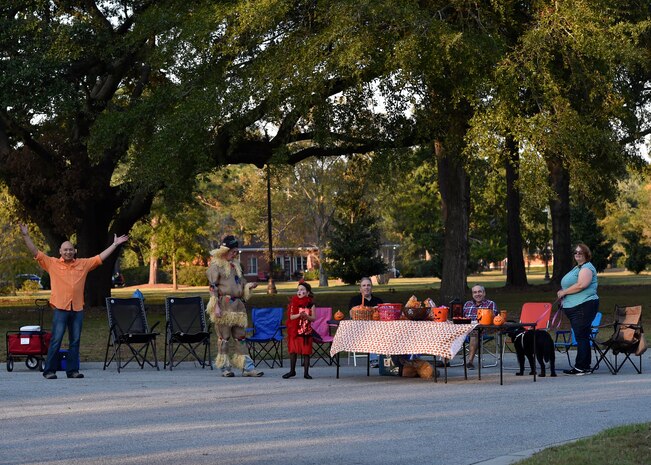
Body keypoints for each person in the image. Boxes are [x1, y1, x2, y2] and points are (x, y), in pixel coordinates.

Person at [19, 224, 129, 379]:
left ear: (74, 251)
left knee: (75, 340)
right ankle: (49, 371)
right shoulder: (51, 263)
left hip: (77, 308)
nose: (68, 252)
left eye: (70, 249)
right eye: (65, 250)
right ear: (60, 252)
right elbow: (35, 252)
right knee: (56, 340)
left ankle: (72, 371)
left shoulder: (83, 264)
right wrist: (26, 236)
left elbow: (100, 257)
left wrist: (115, 244)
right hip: (60, 308)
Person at [206, 235, 262, 377]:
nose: (236, 254)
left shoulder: (236, 266)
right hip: (224, 306)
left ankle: (247, 368)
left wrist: (249, 286)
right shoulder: (216, 266)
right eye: (233, 251)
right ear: (225, 250)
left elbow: (241, 283)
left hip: (238, 307)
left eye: (237, 251)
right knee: (224, 338)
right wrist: (216, 307)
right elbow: (212, 287)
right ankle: (225, 367)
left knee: (241, 337)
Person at [557, 243, 599, 376]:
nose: (577, 255)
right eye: (575, 253)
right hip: (576, 306)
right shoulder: (578, 268)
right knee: (582, 335)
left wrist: (565, 292)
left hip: (584, 306)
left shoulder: (586, 268)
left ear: (586, 254)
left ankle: (581, 366)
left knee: (581, 336)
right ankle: (584, 366)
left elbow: (582, 285)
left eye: (580, 253)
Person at [283, 282, 316, 379]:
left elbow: (314, 318)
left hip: (306, 331)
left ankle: (306, 373)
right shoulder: (294, 303)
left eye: (302, 290)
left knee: (306, 352)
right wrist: (299, 315)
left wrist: (307, 317)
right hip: (295, 331)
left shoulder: (311, 305)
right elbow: (291, 317)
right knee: (293, 351)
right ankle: (292, 371)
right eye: (298, 290)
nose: (299, 291)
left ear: (307, 292)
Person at [348, 277, 383, 368]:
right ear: (360, 289)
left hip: (377, 328)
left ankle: (389, 360)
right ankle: (374, 360)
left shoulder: (378, 301)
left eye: (368, 285)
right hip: (360, 329)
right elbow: (351, 315)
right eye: (364, 285)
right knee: (372, 332)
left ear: (371, 288)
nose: (366, 287)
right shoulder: (355, 300)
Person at [463, 285, 498, 369]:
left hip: (483, 330)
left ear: (484, 293)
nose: (477, 294)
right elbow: (461, 318)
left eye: (479, 292)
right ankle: (444, 361)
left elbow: (494, 320)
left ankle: (470, 362)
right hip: (465, 330)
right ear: (472, 294)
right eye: (475, 292)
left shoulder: (490, 304)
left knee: (475, 332)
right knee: (448, 332)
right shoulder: (467, 304)